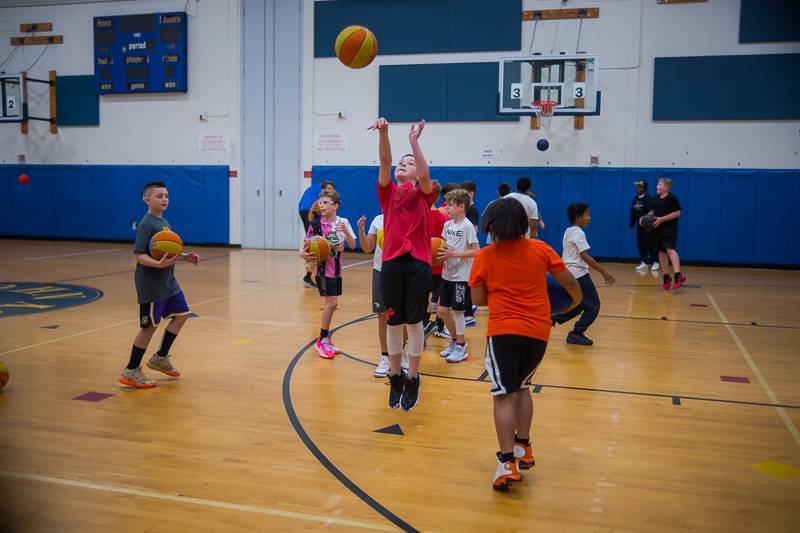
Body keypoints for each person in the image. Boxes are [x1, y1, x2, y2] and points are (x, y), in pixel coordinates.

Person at [469, 197, 581, 491]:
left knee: (502, 395)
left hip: (504, 331)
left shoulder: (485, 256)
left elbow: (478, 301)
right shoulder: (541, 249)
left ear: (491, 226)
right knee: (522, 387)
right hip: (538, 331)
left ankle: (507, 462)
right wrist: (568, 307)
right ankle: (523, 446)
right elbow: (570, 283)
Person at [369, 117, 437, 412]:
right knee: (392, 320)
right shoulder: (388, 192)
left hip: (419, 263)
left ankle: (413, 376)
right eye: (402, 162)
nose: (403, 164)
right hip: (392, 262)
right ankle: (396, 377)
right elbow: (385, 161)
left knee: (414, 321)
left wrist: (414, 142)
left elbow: (423, 175)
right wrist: (384, 133)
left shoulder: (424, 193)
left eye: (408, 163)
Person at [119, 180, 200, 389]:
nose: (164, 199)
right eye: (159, 196)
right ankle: (131, 370)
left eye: (166, 196)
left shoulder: (165, 223)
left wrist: (184, 257)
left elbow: (166, 252)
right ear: (147, 199)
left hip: (168, 282)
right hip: (151, 284)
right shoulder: (146, 224)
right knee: (149, 328)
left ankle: (160, 357)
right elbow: (139, 255)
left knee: (182, 315)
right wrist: (157, 264)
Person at [300, 189, 356, 358]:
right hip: (323, 270)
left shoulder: (343, 222)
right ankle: (322, 340)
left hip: (337, 271)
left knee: (331, 305)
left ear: (335, 206)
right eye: (320, 202)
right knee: (331, 303)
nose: (321, 205)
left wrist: (345, 231)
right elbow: (304, 248)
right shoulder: (316, 225)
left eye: (325, 202)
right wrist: (303, 254)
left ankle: (325, 340)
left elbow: (353, 245)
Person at [551, 203, 615, 346]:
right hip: (579, 275)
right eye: (587, 214)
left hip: (569, 273)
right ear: (578, 217)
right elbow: (584, 255)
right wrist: (604, 272)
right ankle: (576, 333)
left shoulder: (568, 231)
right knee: (594, 306)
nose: (589, 218)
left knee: (578, 304)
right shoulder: (578, 232)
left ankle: (553, 318)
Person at [358, 213, 410, 377]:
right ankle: (385, 357)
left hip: (401, 270)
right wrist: (361, 230)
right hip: (381, 271)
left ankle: (402, 354)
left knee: (402, 316)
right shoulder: (377, 220)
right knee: (382, 315)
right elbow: (367, 248)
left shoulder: (407, 218)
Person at [436, 189, 480, 363]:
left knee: (458, 312)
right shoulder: (448, 225)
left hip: (461, 276)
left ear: (461, 207)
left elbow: (476, 251)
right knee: (442, 311)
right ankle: (455, 342)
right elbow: (442, 246)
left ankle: (461, 346)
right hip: (447, 274)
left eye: (450, 205)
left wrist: (455, 254)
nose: (446, 208)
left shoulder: (467, 226)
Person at [298, 180, 335, 287]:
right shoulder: (319, 202)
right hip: (317, 228)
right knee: (316, 249)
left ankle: (316, 274)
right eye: (329, 188)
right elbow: (311, 218)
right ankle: (308, 275)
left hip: (324, 227)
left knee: (327, 251)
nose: (331, 190)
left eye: (332, 189)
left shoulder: (330, 202)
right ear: (323, 189)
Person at [650, 178, 685, 289]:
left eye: (659, 185)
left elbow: (677, 213)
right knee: (661, 253)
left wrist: (662, 219)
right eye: (657, 184)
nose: (657, 186)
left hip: (669, 228)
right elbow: (652, 213)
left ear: (666, 187)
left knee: (670, 250)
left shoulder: (671, 198)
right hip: (657, 229)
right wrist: (646, 218)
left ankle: (678, 275)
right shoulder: (655, 199)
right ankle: (666, 277)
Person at [486, 178, 540, 243]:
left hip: (504, 240)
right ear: (529, 188)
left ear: (515, 186)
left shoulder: (504, 198)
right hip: (523, 242)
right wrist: (531, 241)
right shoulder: (532, 203)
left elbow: (494, 219)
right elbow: (533, 226)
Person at [459, 180, 480, 327]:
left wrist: (465, 249)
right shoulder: (468, 209)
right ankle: (469, 306)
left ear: (471, 194)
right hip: (465, 251)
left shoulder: (472, 210)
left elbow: (473, 231)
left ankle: (468, 315)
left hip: (468, 251)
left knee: (465, 283)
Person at [629, 180, 657, 271]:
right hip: (639, 226)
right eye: (637, 186)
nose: (637, 188)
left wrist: (648, 221)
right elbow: (633, 213)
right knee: (641, 244)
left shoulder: (648, 198)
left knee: (650, 244)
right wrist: (632, 225)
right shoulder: (635, 199)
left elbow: (652, 212)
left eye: (639, 186)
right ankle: (644, 262)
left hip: (648, 227)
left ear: (644, 188)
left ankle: (655, 262)